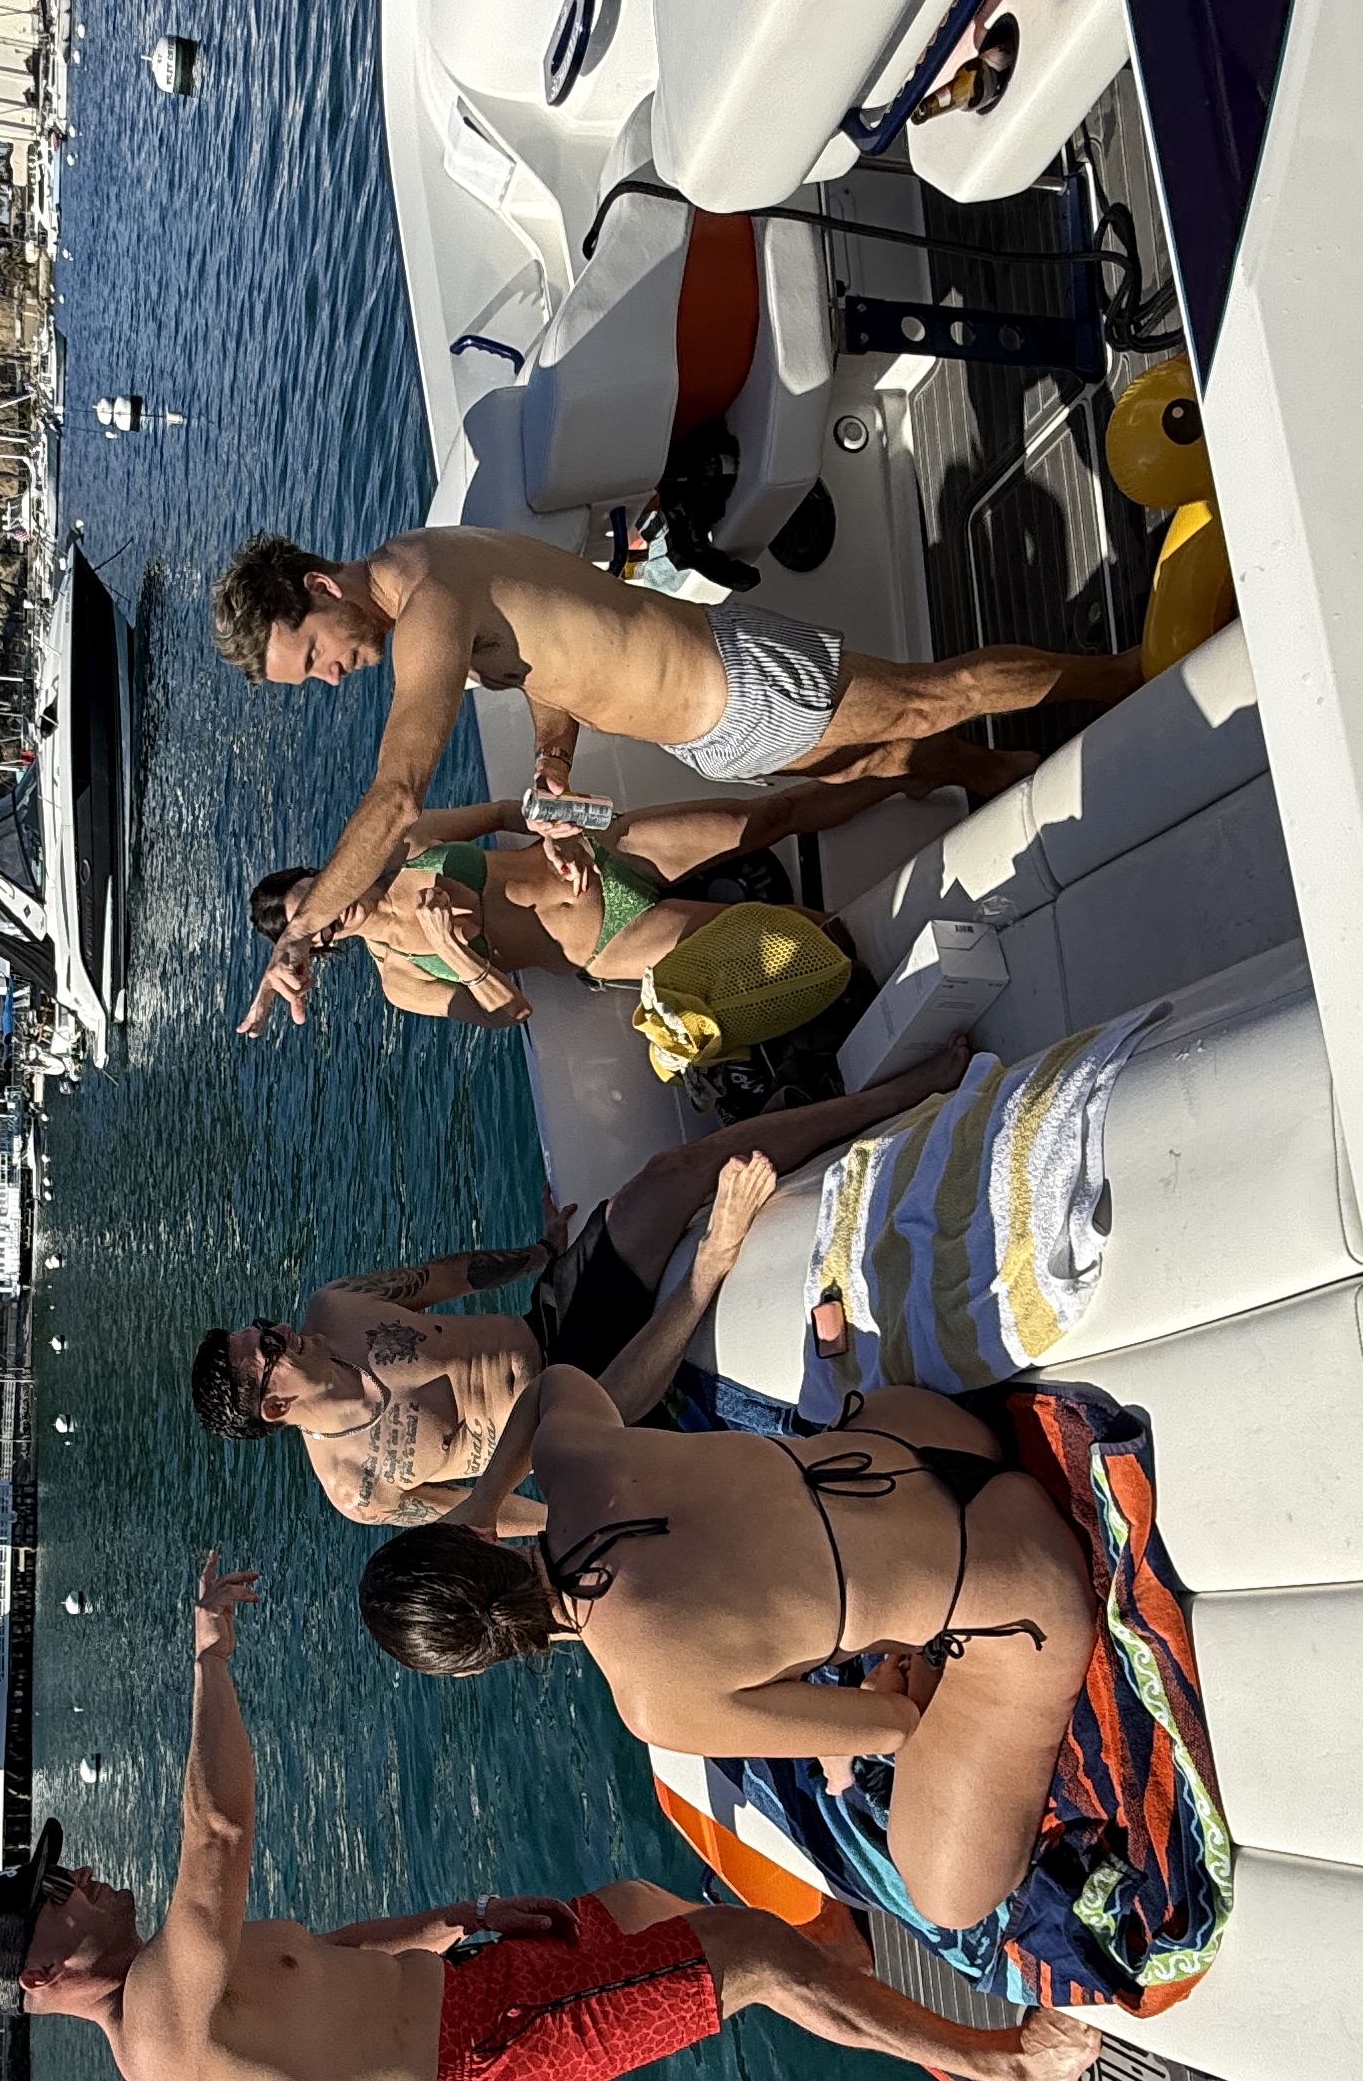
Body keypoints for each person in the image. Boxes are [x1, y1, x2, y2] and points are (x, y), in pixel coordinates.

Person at [0, 1558, 1100, 2081]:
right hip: (488, 2055)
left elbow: (318, 1954)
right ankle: (1007, 2066)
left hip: (482, 1990)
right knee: (747, 1955)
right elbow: (219, 1832)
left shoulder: (171, 1983)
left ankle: (849, 1988)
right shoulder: (150, 2018)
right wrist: (208, 1658)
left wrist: (453, 1917)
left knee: (640, 1905)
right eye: (57, 1891)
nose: (82, 1876)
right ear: (43, 1976)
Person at [214, 525, 1138, 1033]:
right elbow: (548, 664)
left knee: (936, 696)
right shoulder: (432, 588)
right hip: (705, 730)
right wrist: (553, 765)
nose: (332, 678)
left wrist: (298, 932)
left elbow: (397, 794)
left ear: (319, 589)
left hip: (728, 687)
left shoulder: (425, 600)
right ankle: (1008, 769)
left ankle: (1131, 672)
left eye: (313, 657)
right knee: (884, 752)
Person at [355, 1366, 1102, 1939]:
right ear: (475, 1539)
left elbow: (893, 1729)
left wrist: (861, 1723)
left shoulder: (653, 1701)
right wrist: (486, 1497)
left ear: (486, 1659)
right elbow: (554, 1383)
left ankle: (933, 1652)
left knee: (949, 1898)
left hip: (1022, 1588)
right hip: (938, 1444)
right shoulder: (577, 1457)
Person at [187, 1052, 965, 1527]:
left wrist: (533, 1255)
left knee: (667, 1178)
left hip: (550, 1320)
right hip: (578, 1412)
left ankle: (891, 1099)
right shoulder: (357, 1489)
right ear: (275, 1405)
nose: (285, 1331)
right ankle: (713, 1265)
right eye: (273, 1348)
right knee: (683, 1298)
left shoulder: (335, 1307)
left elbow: (441, 1279)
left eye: (267, 1325)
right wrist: (574, 1505)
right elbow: (484, 1512)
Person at [244, 783, 895, 1029]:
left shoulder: (404, 844)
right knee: (798, 936)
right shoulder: (400, 980)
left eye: (320, 895)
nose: (334, 914)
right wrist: (449, 949)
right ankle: (899, 946)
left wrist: (573, 822)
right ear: (319, 945)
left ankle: (923, 771)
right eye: (319, 925)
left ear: (323, 873)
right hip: (612, 938)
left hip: (601, 855)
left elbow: (505, 813)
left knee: (769, 815)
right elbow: (512, 1010)